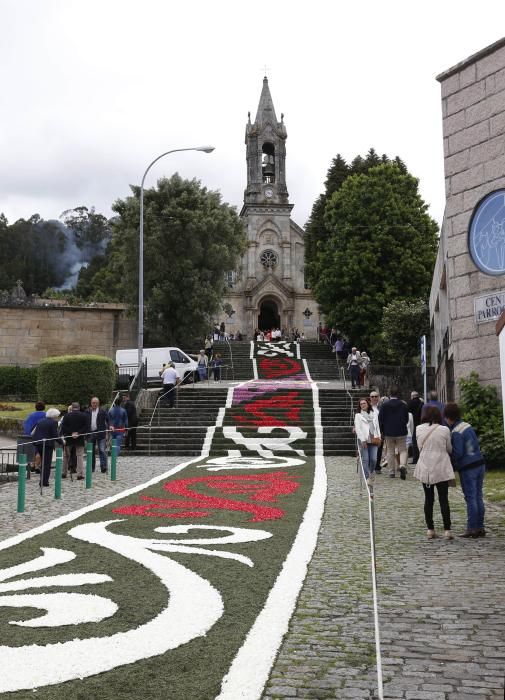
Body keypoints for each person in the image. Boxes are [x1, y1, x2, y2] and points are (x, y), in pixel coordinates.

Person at [444, 402, 486, 538]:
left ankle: (472, 528)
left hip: (468, 467)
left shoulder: (456, 431)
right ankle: (480, 527)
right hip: (480, 463)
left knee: (470, 498)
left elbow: (458, 452)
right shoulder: (467, 425)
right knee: (479, 496)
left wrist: (450, 461)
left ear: (448, 417)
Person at [414, 406, 455, 540]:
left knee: (428, 499)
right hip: (441, 466)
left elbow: (419, 446)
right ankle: (447, 530)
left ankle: (430, 529)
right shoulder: (444, 429)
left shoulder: (419, 429)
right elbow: (449, 448)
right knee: (443, 499)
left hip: (426, 467)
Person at [378, 385, 409, 479]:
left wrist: (382, 431)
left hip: (388, 432)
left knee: (390, 452)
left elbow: (380, 419)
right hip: (401, 431)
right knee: (403, 450)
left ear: (389, 394)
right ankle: (402, 465)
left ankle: (391, 472)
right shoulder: (403, 405)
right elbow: (406, 418)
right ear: (398, 393)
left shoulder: (384, 405)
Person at [32, 408, 63, 487]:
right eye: (57, 416)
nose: (57, 418)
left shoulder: (40, 421)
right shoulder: (53, 422)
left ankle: (42, 480)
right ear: (54, 416)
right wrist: (62, 442)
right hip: (47, 445)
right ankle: (44, 482)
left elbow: (34, 432)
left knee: (43, 463)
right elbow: (55, 435)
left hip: (38, 444)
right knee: (46, 464)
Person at [354, 397, 381, 483]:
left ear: (368, 404)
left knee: (374, 459)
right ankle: (367, 478)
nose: (362, 405)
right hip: (364, 440)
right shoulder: (358, 416)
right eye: (361, 404)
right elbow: (358, 429)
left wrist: (379, 437)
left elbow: (377, 427)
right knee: (365, 459)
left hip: (374, 439)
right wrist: (362, 440)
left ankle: (371, 472)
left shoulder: (374, 414)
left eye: (364, 403)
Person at [59, 402, 88, 480]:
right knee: (79, 456)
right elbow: (86, 427)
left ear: (72, 407)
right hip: (80, 438)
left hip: (69, 437)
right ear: (79, 407)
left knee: (66, 456)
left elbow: (63, 427)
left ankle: (64, 473)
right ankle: (79, 474)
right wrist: (78, 433)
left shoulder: (66, 416)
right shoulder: (84, 415)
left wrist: (71, 433)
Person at [85, 397, 109, 473]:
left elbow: (108, 420)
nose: (94, 404)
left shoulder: (103, 411)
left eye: (96, 403)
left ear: (98, 403)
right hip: (90, 433)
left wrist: (110, 426)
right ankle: (92, 467)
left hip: (100, 433)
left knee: (102, 450)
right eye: (93, 403)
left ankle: (103, 466)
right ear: (91, 403)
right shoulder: (87, 411)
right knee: (90, 451)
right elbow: (84, 422)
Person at [407, 391, 424, 464]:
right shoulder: (422, 403)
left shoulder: (410, 403)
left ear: (412, 396)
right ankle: (422, 458)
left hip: (414, 424)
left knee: (414, 442)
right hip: (421, 424)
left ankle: (415, 459)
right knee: (421, 441)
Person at [369, 390, 382, 473]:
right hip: (370, 432)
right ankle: (371, 465)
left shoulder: (381, 407)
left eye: (376, 396)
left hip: (379, 431)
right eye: (372, 396)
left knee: (379, 450)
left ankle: (377, 467)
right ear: (370, 398)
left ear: (379, 397)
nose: (374, 398)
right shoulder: (367, 407)